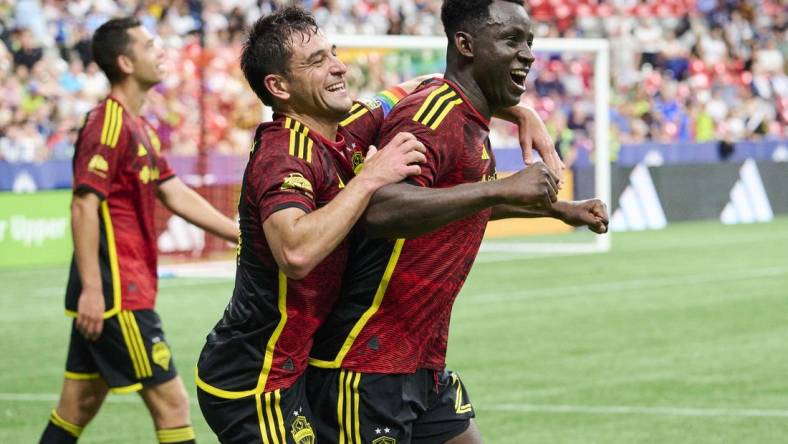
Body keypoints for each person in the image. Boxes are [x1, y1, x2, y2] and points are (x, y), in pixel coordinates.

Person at [305, 1, 609, 443]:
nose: (527, 54)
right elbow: (378, 209)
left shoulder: (470, 118)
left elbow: (449, 205)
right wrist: (500, 188)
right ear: (465, 45)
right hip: (366, 360)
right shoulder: (434, 115)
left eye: (529, 42)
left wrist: (555, 209)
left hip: (420, 357)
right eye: (511, 40)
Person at [193, 8, 428, 443]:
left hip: (295, 366)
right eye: (316, 61)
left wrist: (519, 112)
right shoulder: (282, 154)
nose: (339, 66)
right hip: (253, 377)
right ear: (279, 87)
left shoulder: (346, 125)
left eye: (333, 53)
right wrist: (372, 177)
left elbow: (419, 88)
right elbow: (295, 253)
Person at [39, 18, 239, 444]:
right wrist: (94, 288)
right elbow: (83, 205)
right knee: (172, 403)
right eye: (150, 45)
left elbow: (174, 192)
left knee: (78, 405)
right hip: (117, 293)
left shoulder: (142, 128)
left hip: (123, 288)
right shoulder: (107, 123)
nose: (160, 51)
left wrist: (240, 233)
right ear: (126, 61)